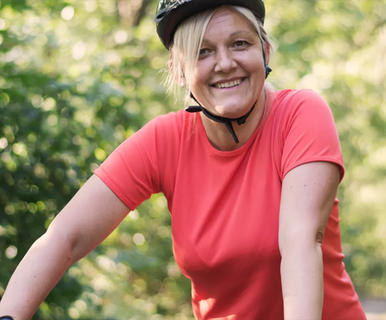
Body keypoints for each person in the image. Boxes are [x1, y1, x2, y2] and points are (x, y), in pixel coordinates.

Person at [0, 0, 366, 319]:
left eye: (240, 44)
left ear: (265, 51)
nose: (225, 63)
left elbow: (301, 242)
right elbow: (64, 238)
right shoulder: (165, 141)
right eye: (202, 52)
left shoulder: (301, 115)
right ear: (179, 70)